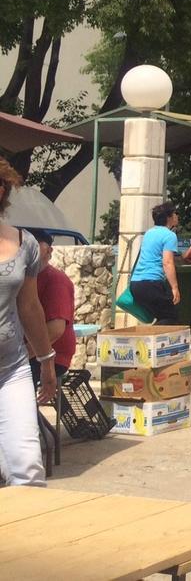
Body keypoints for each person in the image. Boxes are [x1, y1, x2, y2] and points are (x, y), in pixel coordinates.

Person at [0, 158, 57, 486]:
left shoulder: (25, 244)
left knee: (27, 469)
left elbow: (31, 308)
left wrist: (47, 362)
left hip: (11, 369)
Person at [25, 229, 76, 386]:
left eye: (35, 246)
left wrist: (21, 356)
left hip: (51, 354)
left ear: (49, 251)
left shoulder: (55, 280)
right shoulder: (26, 278)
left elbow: (55, 330)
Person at [129, 202, 181, 324]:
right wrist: (175, 287)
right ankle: (150, 341)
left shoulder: (149, 233)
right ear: (169, 217)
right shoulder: (169, 235)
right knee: (170, 317)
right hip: (152, 283)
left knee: (161, 315)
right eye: (175, 213)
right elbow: (167, 262)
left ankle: (152, 338)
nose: (177, 216)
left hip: (136, 284)